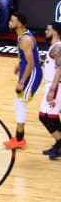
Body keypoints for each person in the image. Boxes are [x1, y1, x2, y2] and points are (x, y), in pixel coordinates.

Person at [5, 11, 42, 150]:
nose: (10, 22)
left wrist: (21, 82)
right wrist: (19, 65)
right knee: (18, 101)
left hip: (31, 74)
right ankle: (19, 137)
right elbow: (29, 58)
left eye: (12, 20)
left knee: (20, 103)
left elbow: (32, 63)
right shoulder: (22, 34)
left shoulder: (25, 39)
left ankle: (20, 139)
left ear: (19, 23)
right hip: (27, 70)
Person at [39, 24, 61, 159]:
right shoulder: (54, 47)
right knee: (52, 118)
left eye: (48, 30)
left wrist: (52, 90)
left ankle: (60, 143)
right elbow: (52, 67)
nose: (46, 31)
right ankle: (58, 146)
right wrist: (40, 62)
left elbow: (59, 69)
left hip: (56, 86)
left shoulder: (58, 47)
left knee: (44, 117)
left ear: (56, 32)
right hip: (53, 85)